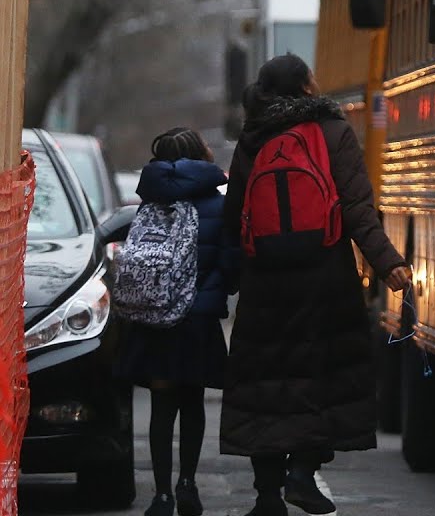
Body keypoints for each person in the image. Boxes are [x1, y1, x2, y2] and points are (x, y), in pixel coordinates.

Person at [220, 54, 411, 516]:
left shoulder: (254, 135)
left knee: (266, 385)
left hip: (265, 281)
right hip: (324, 277)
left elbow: (235, 214)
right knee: (320, 378)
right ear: (306, 87)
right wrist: (389, 264)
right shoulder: (331, 130)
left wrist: (228, 277)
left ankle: (267, 495)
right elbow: (357, 207)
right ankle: (302, 475)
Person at [117, 128, 238, 516]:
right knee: (192, 401)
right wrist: (216, 294)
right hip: (197, 320)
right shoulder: (218, 203)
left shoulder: (150, 201)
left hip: (154, 318)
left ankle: (161, 494)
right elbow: (229, 261)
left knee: (161, 404)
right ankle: (188, 483)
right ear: (201, 156)